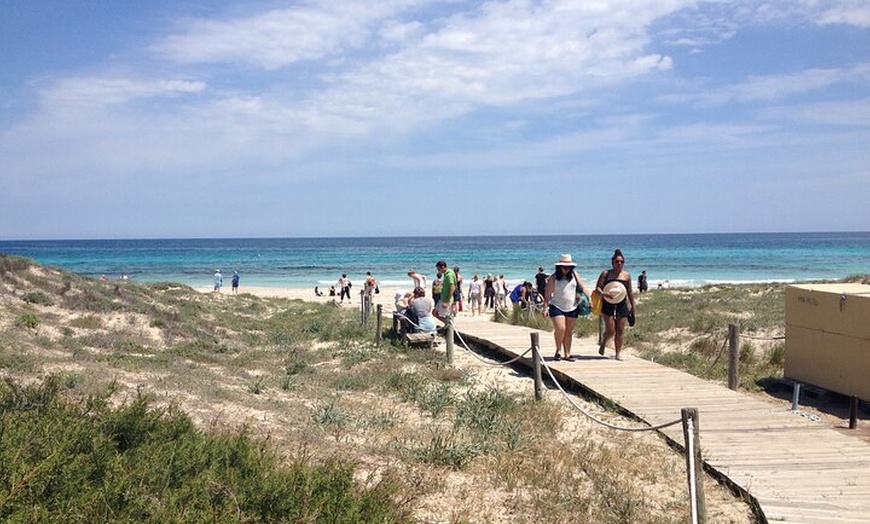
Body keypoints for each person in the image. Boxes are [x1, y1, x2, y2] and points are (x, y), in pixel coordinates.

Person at [542, 254, 586, 362]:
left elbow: (583, 287)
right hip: (556, 305)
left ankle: (567, 353)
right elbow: (548, 294)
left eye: (568, 267)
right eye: (564, 267)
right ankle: (558, 350)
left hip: (572, 306)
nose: (566, 269)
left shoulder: (575, 275)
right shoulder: (553, 277)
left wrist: (591, 299)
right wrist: (545, 308)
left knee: (568, 331)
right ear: (559, 267)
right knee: (561, 329)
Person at [595, 249, 635, 361]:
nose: (619, 264)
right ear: (612, 262)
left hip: (622, 303)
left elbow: (630, 292)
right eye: (617, 261)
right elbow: (597, 289)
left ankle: (618, 353)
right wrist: (604, 294)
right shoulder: (606, 274)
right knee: (611, 329)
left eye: (621, 262)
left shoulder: (626, 276)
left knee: (620, 329)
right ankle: (603, 342)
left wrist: (633, 307)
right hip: (608, 303)